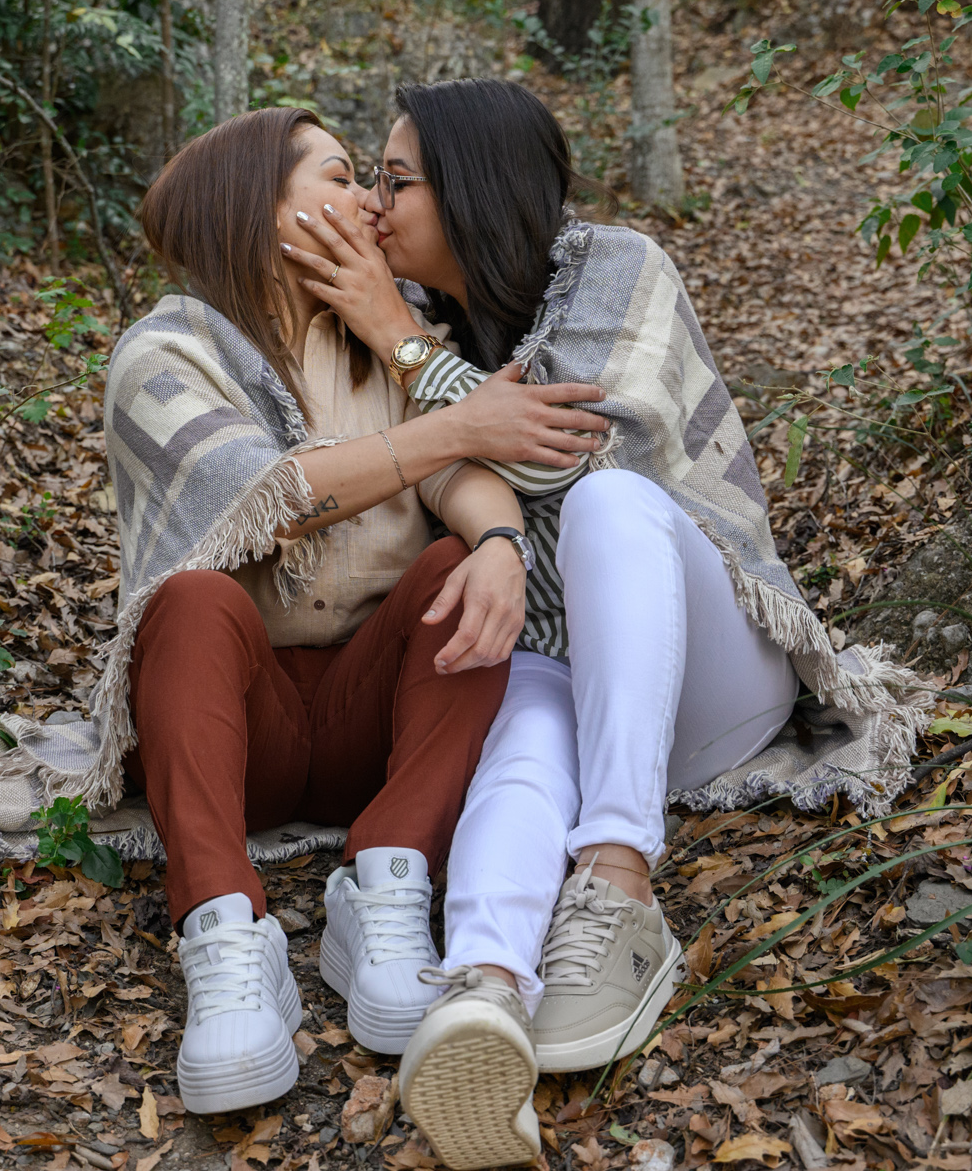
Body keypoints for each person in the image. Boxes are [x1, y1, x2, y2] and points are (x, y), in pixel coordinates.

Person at [284, 79, 931, 1167]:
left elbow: (580, 453)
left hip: (710, 676)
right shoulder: (416, 324)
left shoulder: (615, 266)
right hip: (563, 673)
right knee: (518, 722)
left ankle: (620, 876)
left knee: (608, 504)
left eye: (395, 181)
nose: (374, 208)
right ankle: (484, 991)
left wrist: (396, 337)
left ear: (474, 189)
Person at [108, 106, 616, 1117]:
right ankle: (222, 933)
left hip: (367, 724)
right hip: (230, 727)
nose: (369, 203)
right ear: (260, 208)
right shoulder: (163, 353)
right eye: (340, 177)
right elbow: (266, 496)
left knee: (453, 564)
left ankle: (387, 884)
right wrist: (457, 425)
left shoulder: (384, 343)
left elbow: (461, 475)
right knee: (194, 599)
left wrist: (500, 541)